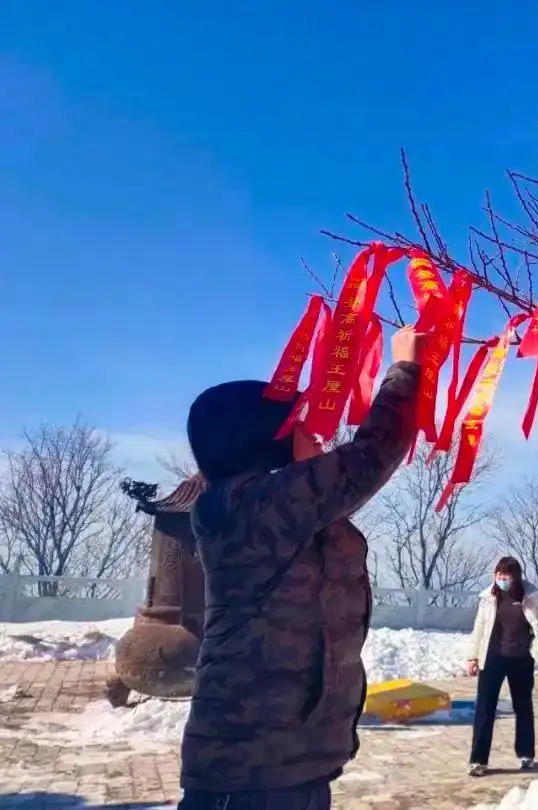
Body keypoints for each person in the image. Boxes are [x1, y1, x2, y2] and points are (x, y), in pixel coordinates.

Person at [176, 327, 422, 810]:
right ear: (263, 442)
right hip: (247, 773)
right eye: (301, 426)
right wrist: (405, 371)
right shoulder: (247, 507)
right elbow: (365, 460)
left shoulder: (281, 514)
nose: (317, 435)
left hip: (295, 765)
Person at [466, 556, 538, 778]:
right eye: (498, 574)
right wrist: (472, 657)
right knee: (485, 708)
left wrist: (537, 644)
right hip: (492, 657)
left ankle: (526, 753)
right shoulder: (488, 597)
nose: (501, 579)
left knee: (523, 706)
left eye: (506, 575)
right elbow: (479, 627)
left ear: (516, 576)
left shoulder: (530, 596)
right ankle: (478, 760)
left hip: (520, 659)